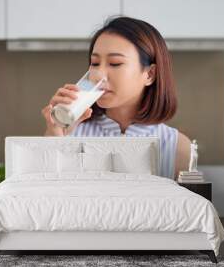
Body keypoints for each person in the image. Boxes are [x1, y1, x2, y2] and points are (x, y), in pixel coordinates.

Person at [41, 16, 191, 180]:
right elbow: (47, 197)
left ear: (150, 74)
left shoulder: (177, 147)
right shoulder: (72, 132)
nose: (99, 76)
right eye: (95, 63)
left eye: (115, 63)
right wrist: (55, 135)